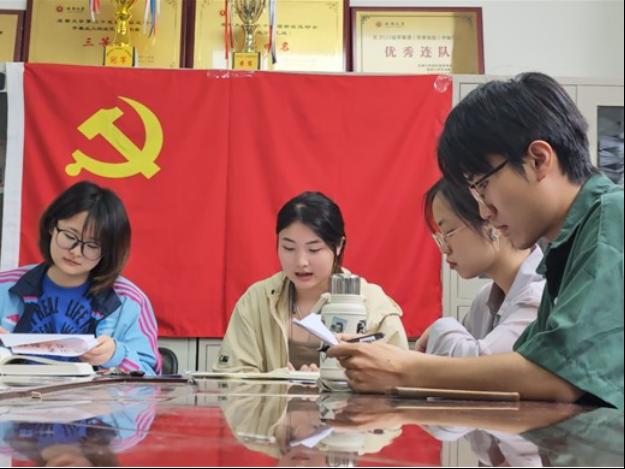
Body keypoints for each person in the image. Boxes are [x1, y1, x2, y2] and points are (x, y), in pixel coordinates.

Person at [328, 72, 624, 409]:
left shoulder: (611, 218)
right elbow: (528, 364)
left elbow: (558, 377)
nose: (484, 212)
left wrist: (406, 370)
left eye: (482, 185)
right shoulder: (568, 247)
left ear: (538, 160)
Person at [214, 191, 408, 373]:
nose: (301, 262)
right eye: (289, 248)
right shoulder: (257, 300)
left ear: (338, 245)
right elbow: (230, 378)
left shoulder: (373, 305)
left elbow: (399, 376)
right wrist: (281, 381)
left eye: (314, 249)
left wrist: (335, 382)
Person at [0, 181, 160, 376]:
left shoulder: (129, 302)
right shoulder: (4, 287)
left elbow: (152, 380)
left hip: (95, 397)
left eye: (92, 245)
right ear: (52, 226)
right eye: (70, 236)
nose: (76, 252)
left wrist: (116, 354)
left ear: (108, 251)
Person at [416, 177, 544, 357]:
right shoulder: (483, 301)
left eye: (449, 232)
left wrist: (440, 328)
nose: (444, 249)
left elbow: (481, 365)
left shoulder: (541, 296)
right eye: (440, 238)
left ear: (491, 220)